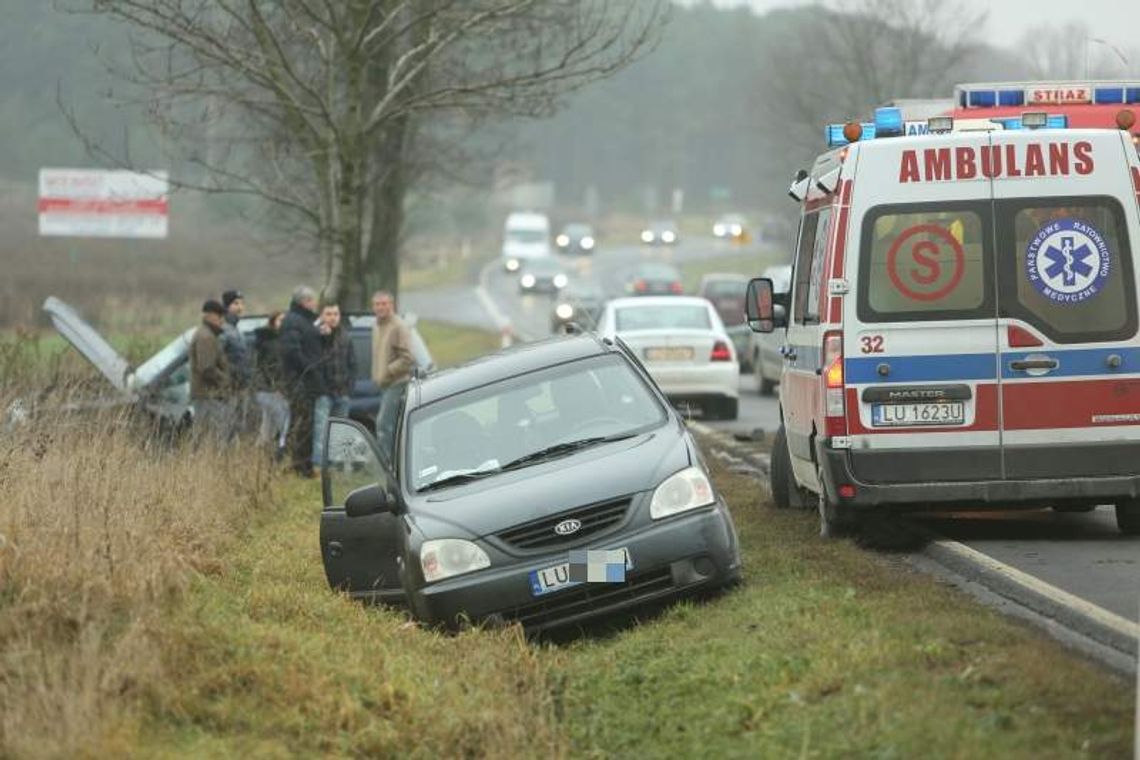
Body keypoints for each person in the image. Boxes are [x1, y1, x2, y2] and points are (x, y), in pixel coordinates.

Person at [280, 286, 328, 477]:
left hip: (307, 381)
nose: (315, 304)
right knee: (302, 424)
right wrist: (311, 367)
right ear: (305, 302)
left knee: (306, 424)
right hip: (300, 381)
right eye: (312, 301)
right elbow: (292, 351)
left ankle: (304, 465)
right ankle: (300, 466)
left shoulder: (305, 320)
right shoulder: (294, 321)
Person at [371, 290, 414, 463]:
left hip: (397, 382)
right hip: (384, 384)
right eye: (377, 304)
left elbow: (408, 358)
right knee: (393, 426)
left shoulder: (398, 326)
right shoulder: (377, 326)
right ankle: (396, 463)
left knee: (383, 424)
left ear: (392, 305)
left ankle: (389, 466)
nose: (381, 307)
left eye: (384, 303)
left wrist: (388, 371)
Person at [313, 301, 356, 469]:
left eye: (335, 314)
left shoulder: (346, 336)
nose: (332, 318)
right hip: (323, 392)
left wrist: (349, 387)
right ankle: (319, 466)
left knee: (342, 430)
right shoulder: (316, 336)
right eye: (328, 314)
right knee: (321, 430)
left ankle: (340, 466)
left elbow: (353, 364)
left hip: (342, 391)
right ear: (322, 316)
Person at [189, 299, 232, 444]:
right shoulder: (206, 337)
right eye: (220, 316)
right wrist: (226, 381)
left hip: (208, 396)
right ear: (210, 316)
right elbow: (207, 368)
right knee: (210, 441)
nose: (222, 320)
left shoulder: (208, 334)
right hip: (208, 396)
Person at [252, 310, 290, 457]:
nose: (284, 323)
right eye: (280, 320)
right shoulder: (272, 343)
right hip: (270, 390)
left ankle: (262, 454)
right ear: (273, 322)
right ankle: (279, 453)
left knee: (267, 425)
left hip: (265, 389)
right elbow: (271, 369)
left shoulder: (266, 340)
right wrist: (277, 387)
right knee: (282, 423)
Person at [220, 288, 254, 435]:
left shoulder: (236, 329)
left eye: (241, 304)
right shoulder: (223, 330)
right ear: (227, 306)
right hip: (229, 390)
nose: (240, 308)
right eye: (235, 304)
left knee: (238, 429)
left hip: (241, 388)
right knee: (226, 429)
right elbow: (218, 359)